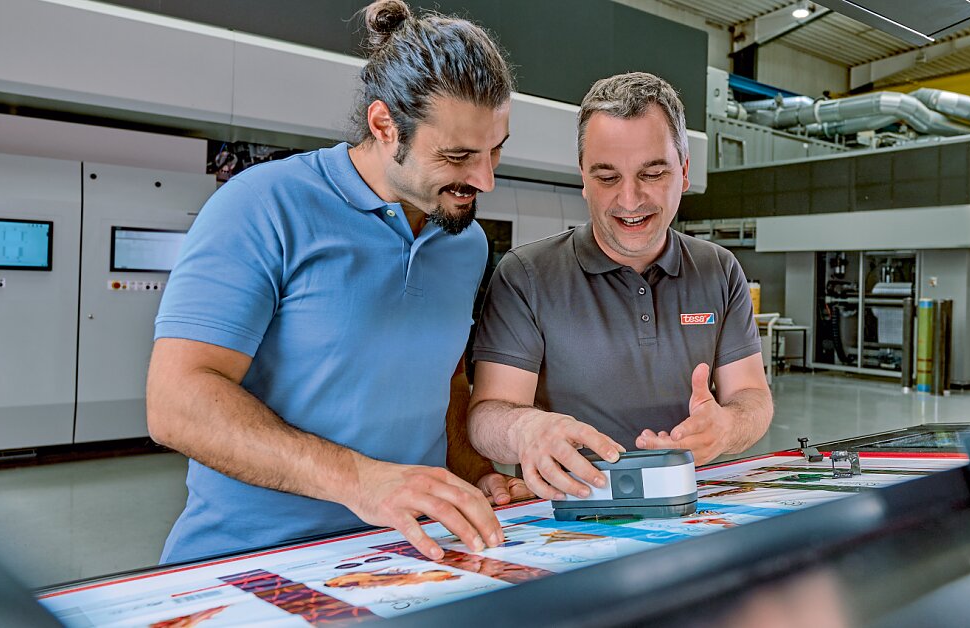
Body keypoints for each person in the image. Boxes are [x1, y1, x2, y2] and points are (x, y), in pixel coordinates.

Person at [147, 0, 525, 564]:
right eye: (458, 156)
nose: (484, 179)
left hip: (405, 554)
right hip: (250, 560)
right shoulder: (262, 206)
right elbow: (176, 401)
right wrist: (360, 479)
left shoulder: (464, 242)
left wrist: (473, 471)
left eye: (496, 151)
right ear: (383, 126)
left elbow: (442, 378)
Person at [466, 72, 775, 501]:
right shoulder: (526, 276)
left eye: (651, 173)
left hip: (692, 507)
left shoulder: (719, 271)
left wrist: (728, 427)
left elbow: (752, 396)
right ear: (583, 178)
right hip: (572, 515)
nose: (630, 200)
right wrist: (526, 428)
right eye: (607, 177)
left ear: (684, 172)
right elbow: (484, 418)